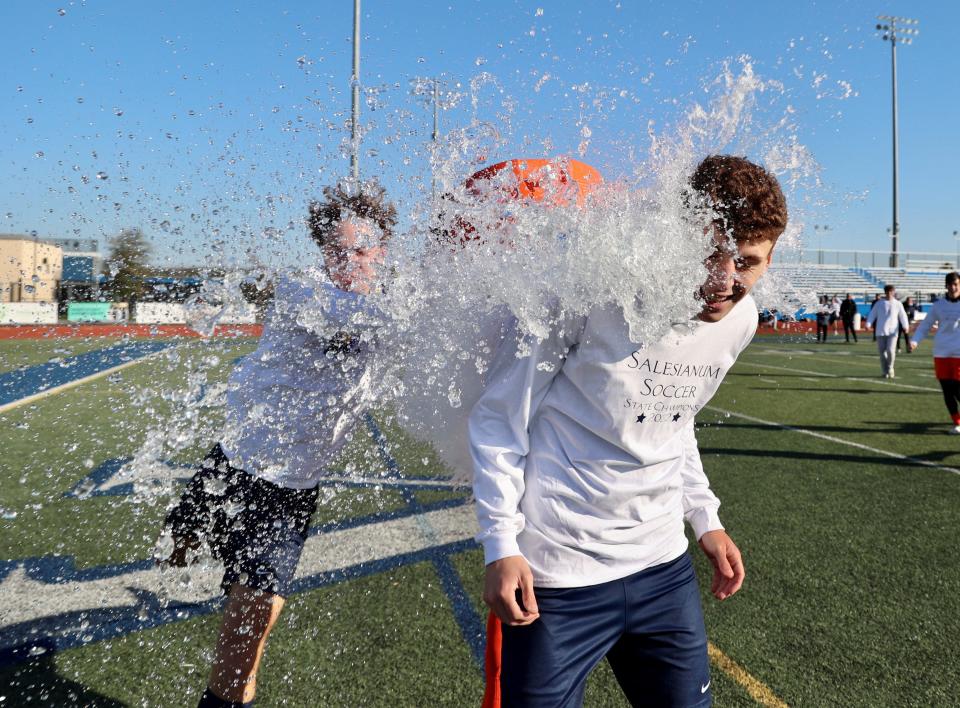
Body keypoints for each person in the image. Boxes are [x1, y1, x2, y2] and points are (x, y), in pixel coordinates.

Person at [472, 155, 787, 707]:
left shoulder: (743, 318)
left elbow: (675, 415)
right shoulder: (588, 294)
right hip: (556, 578)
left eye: (746, 262)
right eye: (709, 255)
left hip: (663, 571)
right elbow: (501, 417)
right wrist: (500, 544)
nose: (723, 280)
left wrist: (704, 517)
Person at [157, 181, 397, 708]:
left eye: (362, 249)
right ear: (322, 253)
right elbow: (382, 321)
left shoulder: (392, 305)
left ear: (383, 249)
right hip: (238, 465)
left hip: (289, 488)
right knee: (179, 560)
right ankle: (185, 531)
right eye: (337, 250)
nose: (349, 261)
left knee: (249, 631)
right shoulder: (303, 291)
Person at [909, 272, 960, 433]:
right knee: (947, 390)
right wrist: (915, 341)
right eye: (950, 284)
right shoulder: (938, 306)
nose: (953, 287)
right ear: (946, 286)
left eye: (956, 284)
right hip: (941, 353)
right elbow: (925, 325)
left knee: (958, 389)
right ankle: (957, 422)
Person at [866, 284, 909, 379]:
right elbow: (872, 314)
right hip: (880, 331)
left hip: (893, 332)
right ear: (885, 292)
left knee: (890, 350)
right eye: (888, 292)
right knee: (882, 353)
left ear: (894, 292)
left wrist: (906, 326)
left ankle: (890, 368)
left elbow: (903, 316)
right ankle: (884, 371)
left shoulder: (898, 304)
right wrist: (868, 324)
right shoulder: (879, 303)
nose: (889, 293)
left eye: (891, 291)